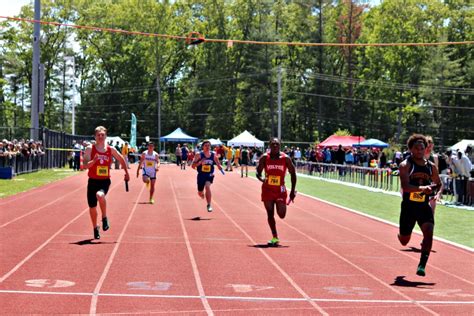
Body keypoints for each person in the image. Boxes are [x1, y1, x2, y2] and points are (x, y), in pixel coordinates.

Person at [398, 134, 441, 277]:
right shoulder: (405, 165)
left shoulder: (431, 167)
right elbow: (406, 186)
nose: (419, 151)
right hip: (409, 207)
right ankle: (401, 234)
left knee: (429, 232)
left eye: (422, 148)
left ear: (425, 149)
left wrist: (435, 192)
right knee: (404, 241)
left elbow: (438, 184)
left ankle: (422, 265)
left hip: (423, 206)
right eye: (416, 148)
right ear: (410, 149)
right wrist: (423, 189)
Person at [83, 126, 130, 240]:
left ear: (106, 136)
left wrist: (126, 173)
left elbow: (121, 159)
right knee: (92, 208)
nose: (100, 137)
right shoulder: (90, 148)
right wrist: (93, 161)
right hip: (92, 181)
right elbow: (85, 165)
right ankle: (95, 227)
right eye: (98, 135)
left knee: (100, 195)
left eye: (102, 135)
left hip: (104, 181)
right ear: (95, 136)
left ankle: (104, 217)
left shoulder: (111, 149)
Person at [256, 137, 297, 246]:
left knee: (281, 214)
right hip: (267, 189)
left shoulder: (286, 158)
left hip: (280, 190)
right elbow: (258, 172)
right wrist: (262, 179)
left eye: (277, 144)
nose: (275, 146)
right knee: (270, 213)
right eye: (273, 144)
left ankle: (284, 202)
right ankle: (275, 237)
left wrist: (292, 191)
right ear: (269, 145)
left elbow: (293, 173)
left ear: (280, 146)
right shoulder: (264, 158)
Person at [192, 140, 224, 212]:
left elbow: (217, 162)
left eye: (209, 145)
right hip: (201, 175)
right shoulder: (198, 155)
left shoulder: (213, 154)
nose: (207, 147)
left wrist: (219, 166)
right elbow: (193, 166)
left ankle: (209, 205)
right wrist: (200, 163)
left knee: (207, 186)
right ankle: (201, 193)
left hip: (209, 174)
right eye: (206, 145)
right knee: (200, 192)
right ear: (202, 147)